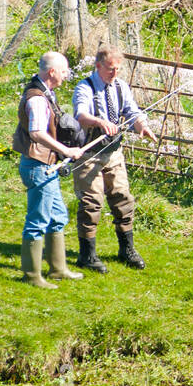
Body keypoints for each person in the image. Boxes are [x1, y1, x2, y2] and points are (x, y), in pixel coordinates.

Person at [71, 44, 156, 272]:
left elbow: (132, 111)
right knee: (91, 204)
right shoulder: (84, 87)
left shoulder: (120, 86)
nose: (114, 73)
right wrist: (100, 122)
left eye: (118, 69)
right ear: (98, 66)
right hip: (88, 155)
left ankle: (126, 249)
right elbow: (80, 114)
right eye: (110, 69)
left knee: (122, 199)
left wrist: (142, 127)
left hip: (114, 153)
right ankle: (87, 256)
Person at [13, 52, 84, 288]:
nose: (66, 75)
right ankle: (32, 276)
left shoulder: (46, 93)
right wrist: (66, 149)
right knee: (37, 220)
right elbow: (36, 133)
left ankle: (58, 269)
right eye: (64, 71)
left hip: (47, 165)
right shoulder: (37, 99)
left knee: (58, 217)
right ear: (52, 72)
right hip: (37, 166)